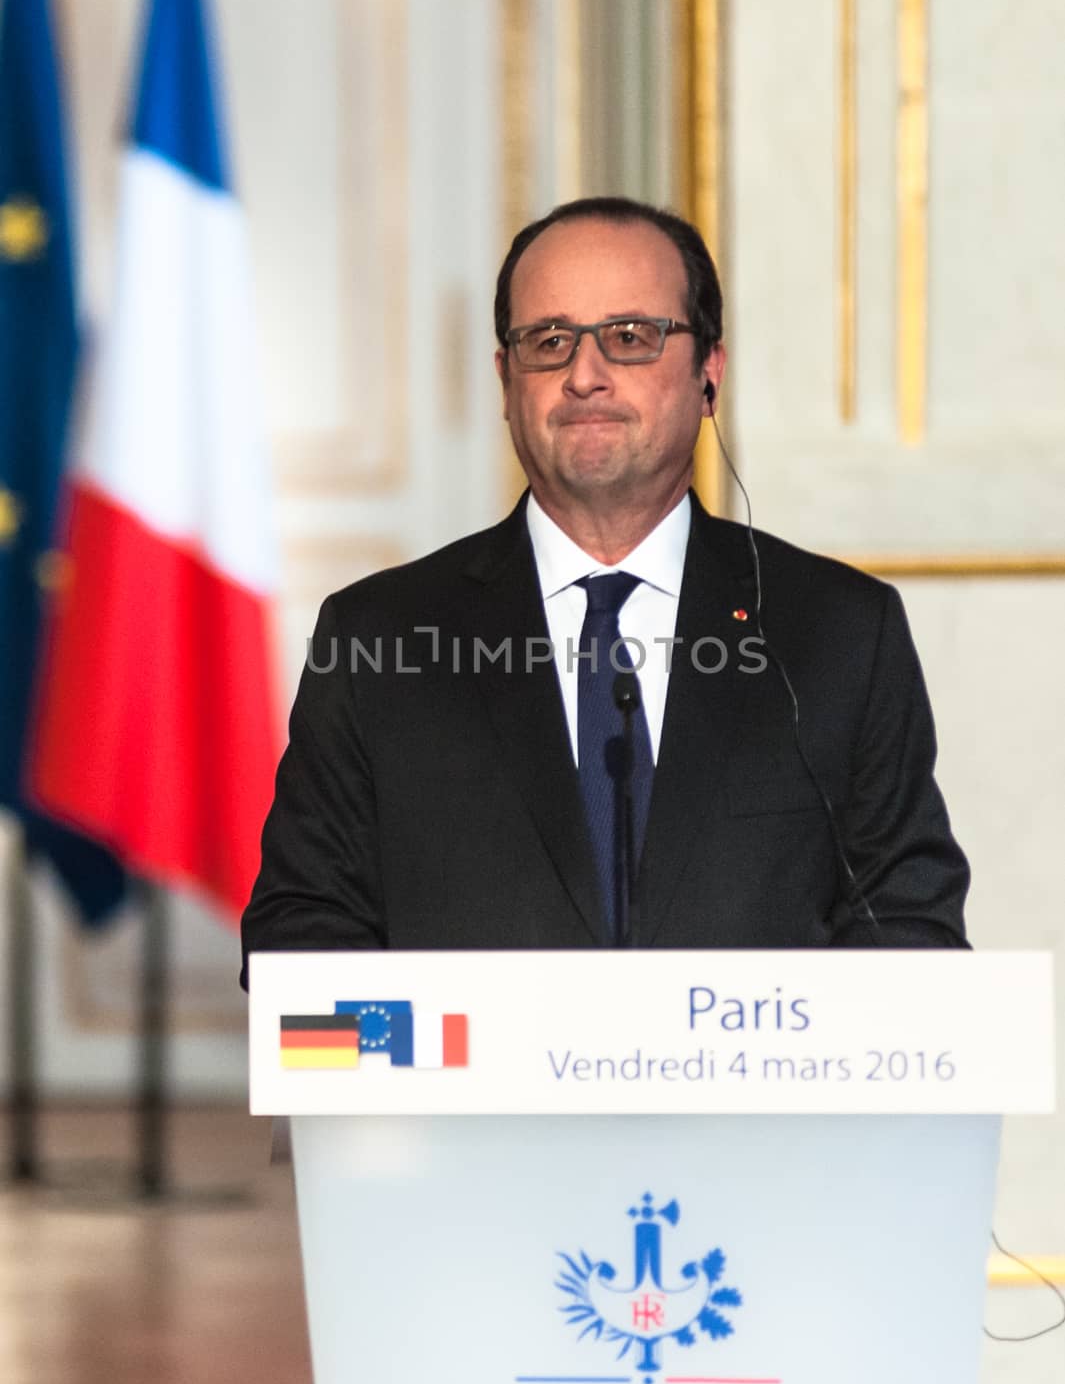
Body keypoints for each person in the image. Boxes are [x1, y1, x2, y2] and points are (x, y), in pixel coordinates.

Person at [240, 197, 967, 985]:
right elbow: (301, 933)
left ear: (708, 370)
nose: (584, 376)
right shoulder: (375, 640)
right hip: (469, 1108)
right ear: (505, 377)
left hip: (750, 1107)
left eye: (629, 338)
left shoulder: (839, 633)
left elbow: (907, 928)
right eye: (548, 342)